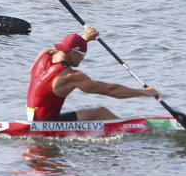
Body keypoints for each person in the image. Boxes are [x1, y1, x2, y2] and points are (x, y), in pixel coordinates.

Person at [26, 25, 158, 121]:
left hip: (34, 118)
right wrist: (143, 92)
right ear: (73, 52)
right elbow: (111, 90)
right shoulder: (70, 76)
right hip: (46, 124)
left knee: (97, 112)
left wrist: (84, 39)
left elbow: (65, 50)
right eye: (82, 54)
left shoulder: (44, 54)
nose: (83, 58)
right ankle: (132, 133)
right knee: (102, 113)